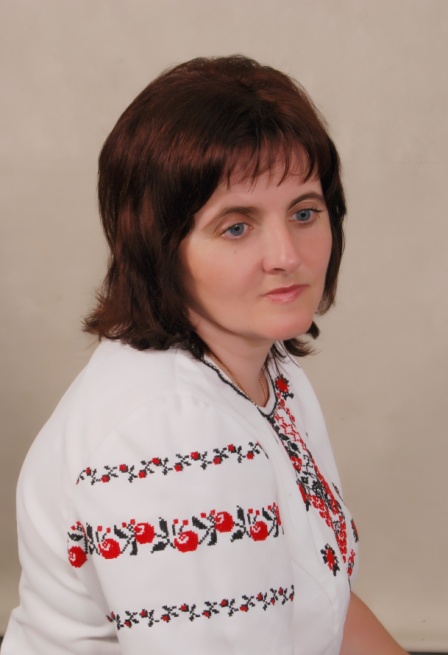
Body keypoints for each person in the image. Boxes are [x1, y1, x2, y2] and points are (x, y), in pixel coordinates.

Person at [3, 56, 407, 654]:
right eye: (236, 226)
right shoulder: (171, 437)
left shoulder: (268, 369)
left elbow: (327, 601)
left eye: (304, 213)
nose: (287, 256)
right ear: (159, 246)